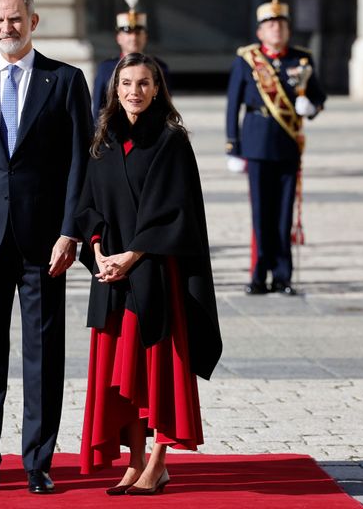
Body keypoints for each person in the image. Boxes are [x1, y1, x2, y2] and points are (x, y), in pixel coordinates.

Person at [0, 0, 92, 494]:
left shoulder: (66, 80)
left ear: (34, 21)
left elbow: (80, 162)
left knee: (43, 354)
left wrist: (70, 230)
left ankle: (38, 462)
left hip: (44, 240)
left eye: (15, 19)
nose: (6, 29)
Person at [75, 52, 222, 495]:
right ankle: (135, 461)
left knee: (154, 371)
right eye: (126, 84)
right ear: (114, 90)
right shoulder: (103, 139)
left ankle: (157, 463)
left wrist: (132, 256)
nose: (134, 92)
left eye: (143, 83)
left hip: (154, 274)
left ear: (157, 88)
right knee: (123, 374)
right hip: (111, 276)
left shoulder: (171, 141)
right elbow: (88, 206)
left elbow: (178, 213)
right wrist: (100, 253)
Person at [226, 0, 326, 296]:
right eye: (270, 26)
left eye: (281, 25)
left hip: (287, 145)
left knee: (283, 215)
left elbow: (319, 97)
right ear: (260, 32)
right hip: (256, 143)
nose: (277, 30)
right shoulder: (247, 60)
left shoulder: (301, 58)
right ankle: (258, 274)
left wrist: (309, 106)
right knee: (260, 216)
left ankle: (283, 276)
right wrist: (233, 145)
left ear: (288, 30)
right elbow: (233, 105)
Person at [91, 0, 170, 119]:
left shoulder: (159, 68)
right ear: (119, 38)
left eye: (138, 32)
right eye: (128, 33)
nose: (133, 38)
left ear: (145, 36)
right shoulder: (106, 69)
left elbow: (165, 107)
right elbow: (98, 111)